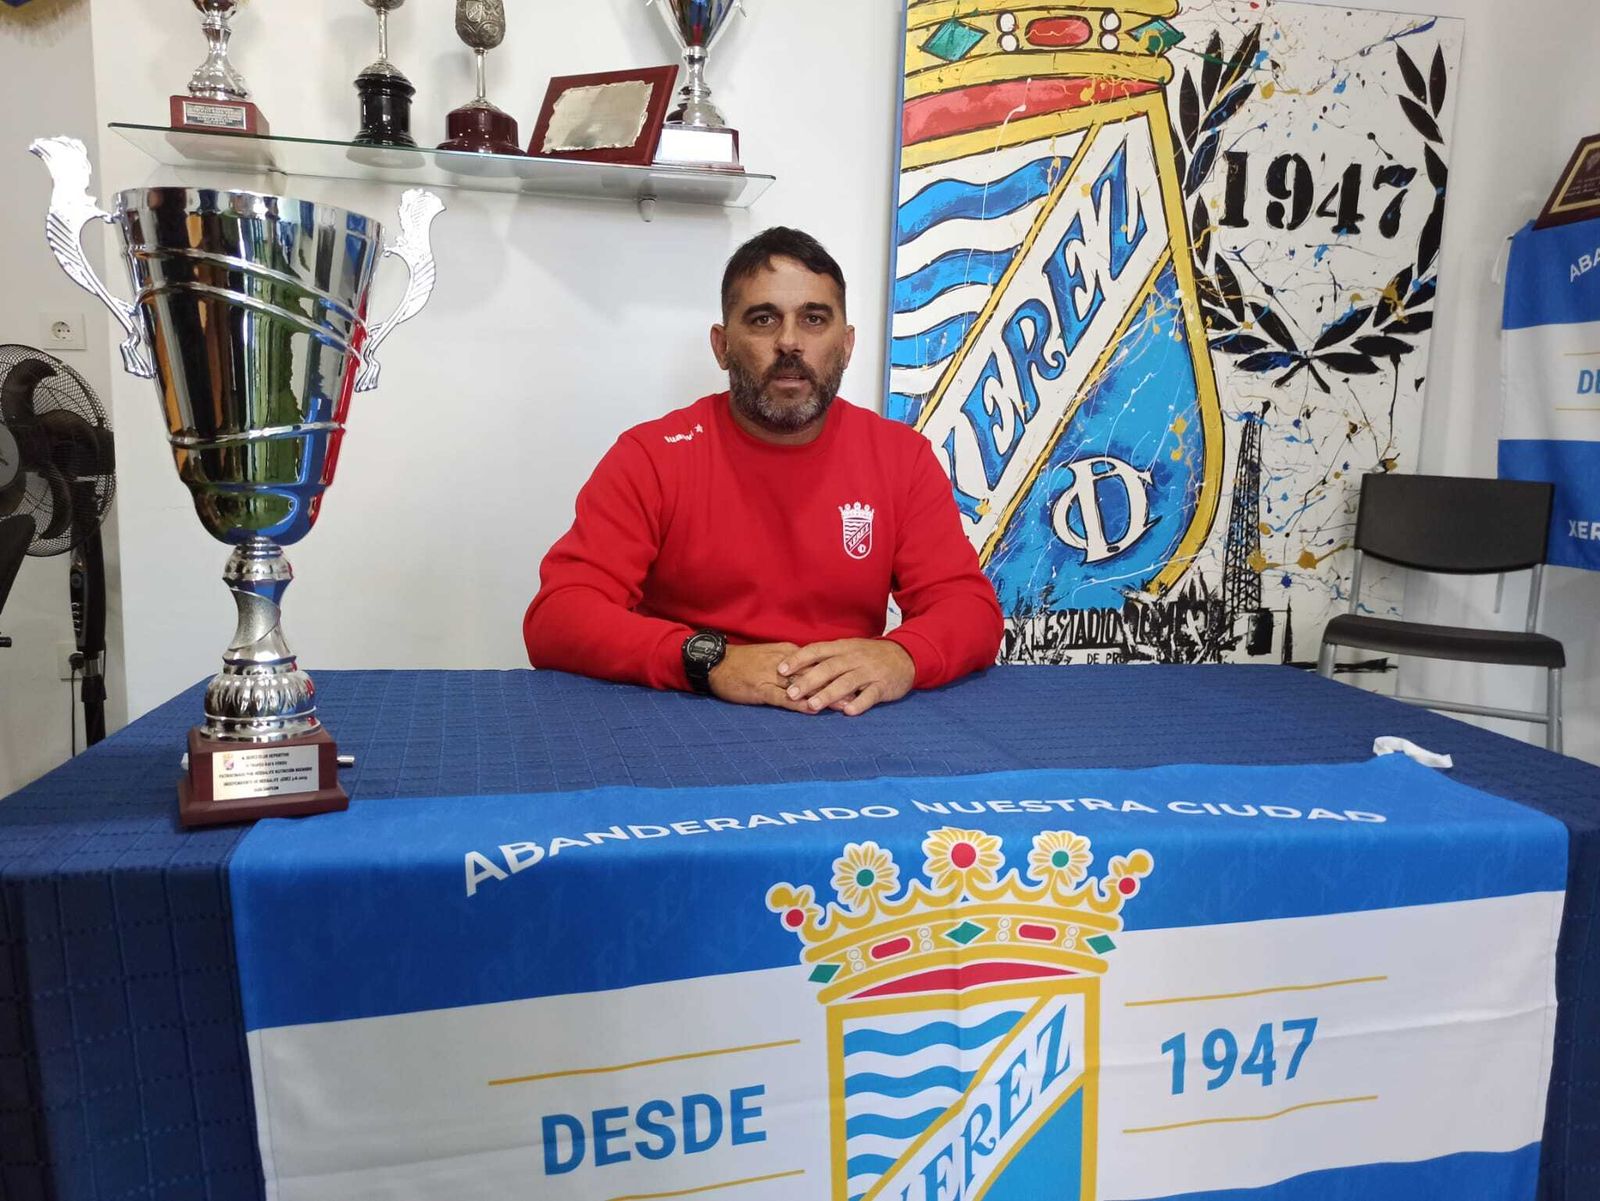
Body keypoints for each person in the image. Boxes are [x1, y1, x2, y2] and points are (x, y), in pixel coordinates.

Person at [523, 227, 1002, 716]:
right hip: (685, 714)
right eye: (763, 319)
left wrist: (903, 655)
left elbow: (970, 609)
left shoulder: (902, 458)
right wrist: (709, 662)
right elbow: (558, 616)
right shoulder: (651, 456)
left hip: (843, 723)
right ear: (722, 346)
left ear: (846, 345)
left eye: (814, 319)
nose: (789, 342)